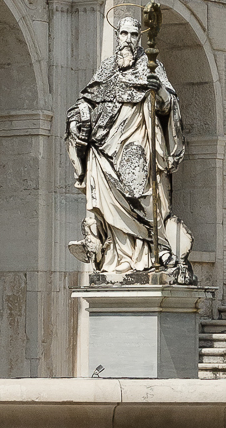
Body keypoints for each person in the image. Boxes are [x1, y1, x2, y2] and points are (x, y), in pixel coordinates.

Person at [65, 14, 195, 282]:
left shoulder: (151, 66)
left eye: (134, 35)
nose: (128, 40)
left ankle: (154, 251)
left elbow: (169, 103)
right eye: (124, 34)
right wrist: (80, 116)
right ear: (117, 36)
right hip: (104, 145)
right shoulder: (107, 68)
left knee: (143, 194)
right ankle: (112, 253)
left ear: (140, 39)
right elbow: (87, 99)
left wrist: (157, 90)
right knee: (103, 198)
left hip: (138, 139)